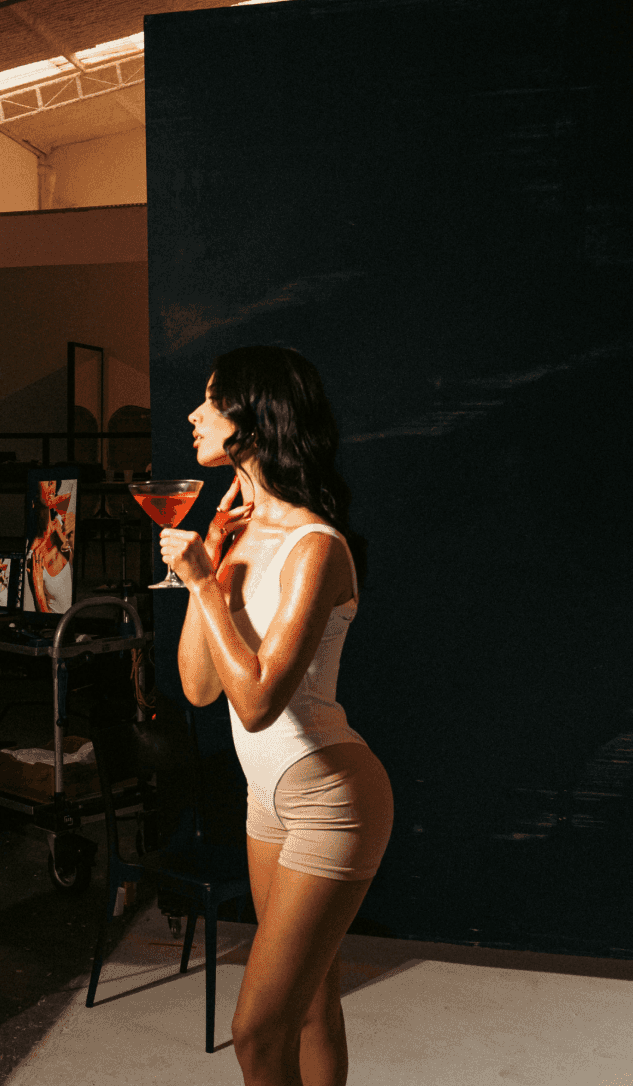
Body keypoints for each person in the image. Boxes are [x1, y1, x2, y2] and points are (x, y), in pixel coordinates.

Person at [158, 345, 394, 1086]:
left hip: (333, 801)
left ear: (253, 422)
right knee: (312, 1003)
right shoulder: (235, 536)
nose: (193, 415)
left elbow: (258, 703)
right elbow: (199, 687)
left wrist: (202, 585)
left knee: (255, 1034)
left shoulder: (314, 547)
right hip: (267, 799)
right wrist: (212, 565)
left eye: (211, 401)